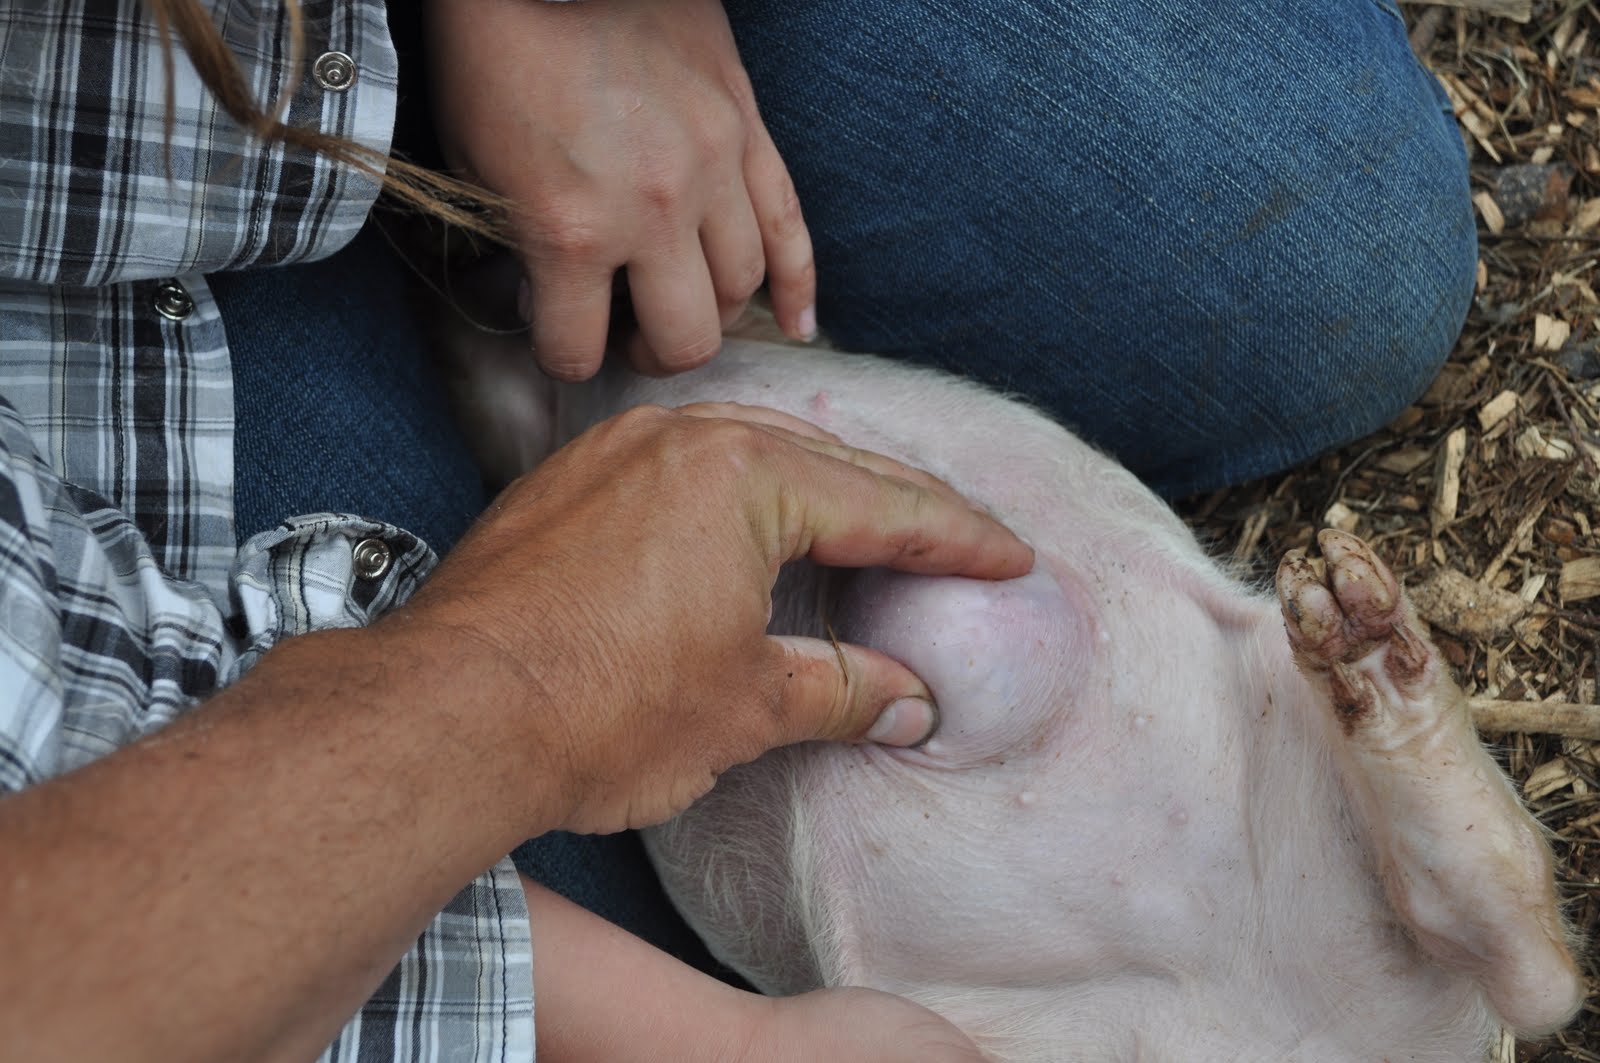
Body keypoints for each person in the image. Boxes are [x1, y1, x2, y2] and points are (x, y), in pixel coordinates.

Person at [0, 0, 1473, 1060]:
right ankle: (476, 327)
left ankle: (497, 290)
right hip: (88, 438)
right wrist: (517, 693)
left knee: (1323, 253)